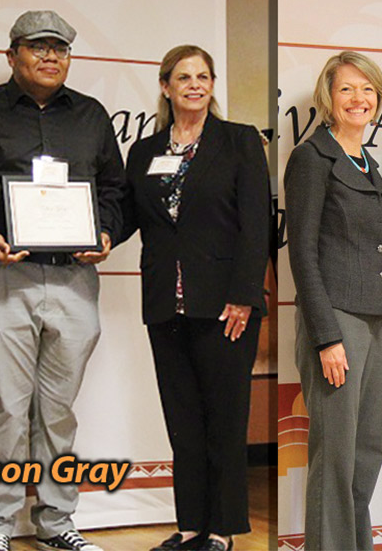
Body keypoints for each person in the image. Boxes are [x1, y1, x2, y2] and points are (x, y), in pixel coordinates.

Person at [0, 10, 123, 551]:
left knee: (58, 413)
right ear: (12, 55)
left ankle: (57, 522)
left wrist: (106, 233)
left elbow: (114, 191)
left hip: (73, 280)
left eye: (59, 49)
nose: (50, 57)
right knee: (2, 409)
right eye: (38, 47)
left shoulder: (91, 116)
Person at [118, 45, 270, 551]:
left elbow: (256, 225)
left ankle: (222, 530)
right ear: (165, 86)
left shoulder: (239, 141)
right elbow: (127, 216)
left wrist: (245, 295)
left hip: (226, 305)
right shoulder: (144, 152)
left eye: (204, 76)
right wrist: (93, 236)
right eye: (184, 77)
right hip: (166, 302)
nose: (195, 85)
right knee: (182, 422)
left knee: (224, 420)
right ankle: (189, 526)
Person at [284, 51, 382, 550]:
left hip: (379, 320)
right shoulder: (312, 158)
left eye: (367, 89)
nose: (358, 98)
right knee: (334, 459)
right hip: (338, 323)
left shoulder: (369, 163)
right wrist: (326, 337)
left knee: (365, 454)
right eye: (347, 88)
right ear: (328, 97)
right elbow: (303, 254)